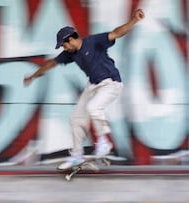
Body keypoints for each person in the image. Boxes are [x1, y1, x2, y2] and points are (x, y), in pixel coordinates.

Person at [24, 9, 145, 169]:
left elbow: (116, 33)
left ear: (71, 39)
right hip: (94, 85)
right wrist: (33, 75)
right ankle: (77, 156)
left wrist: (134, 20)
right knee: (76, 118)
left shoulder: (94, 42)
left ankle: (103, 142)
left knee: (93, 107)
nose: (64, 48)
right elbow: (51, 63)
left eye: (64, 44)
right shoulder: (71, 54)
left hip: (111, 83)